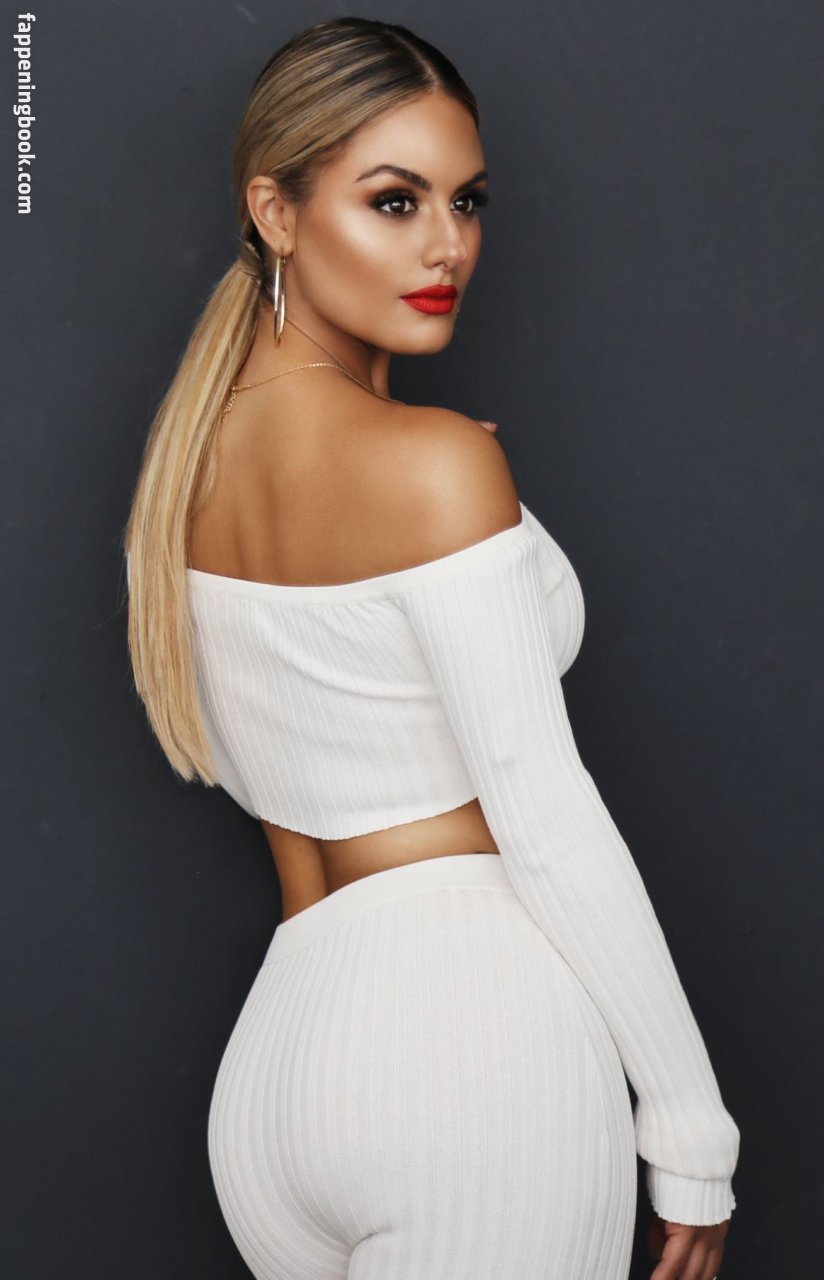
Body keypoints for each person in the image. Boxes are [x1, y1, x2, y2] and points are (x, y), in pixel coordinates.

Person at [122, 16, 739, 1280]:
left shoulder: (184, 474)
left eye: (467, 201)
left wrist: (442, 462)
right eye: (394, 201)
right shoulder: (433, 466)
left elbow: (289, 746)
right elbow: (545, 814)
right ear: (276, 212)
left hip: (281, 1067)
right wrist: (690, 1126)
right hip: (470, 1046)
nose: (446, 244)